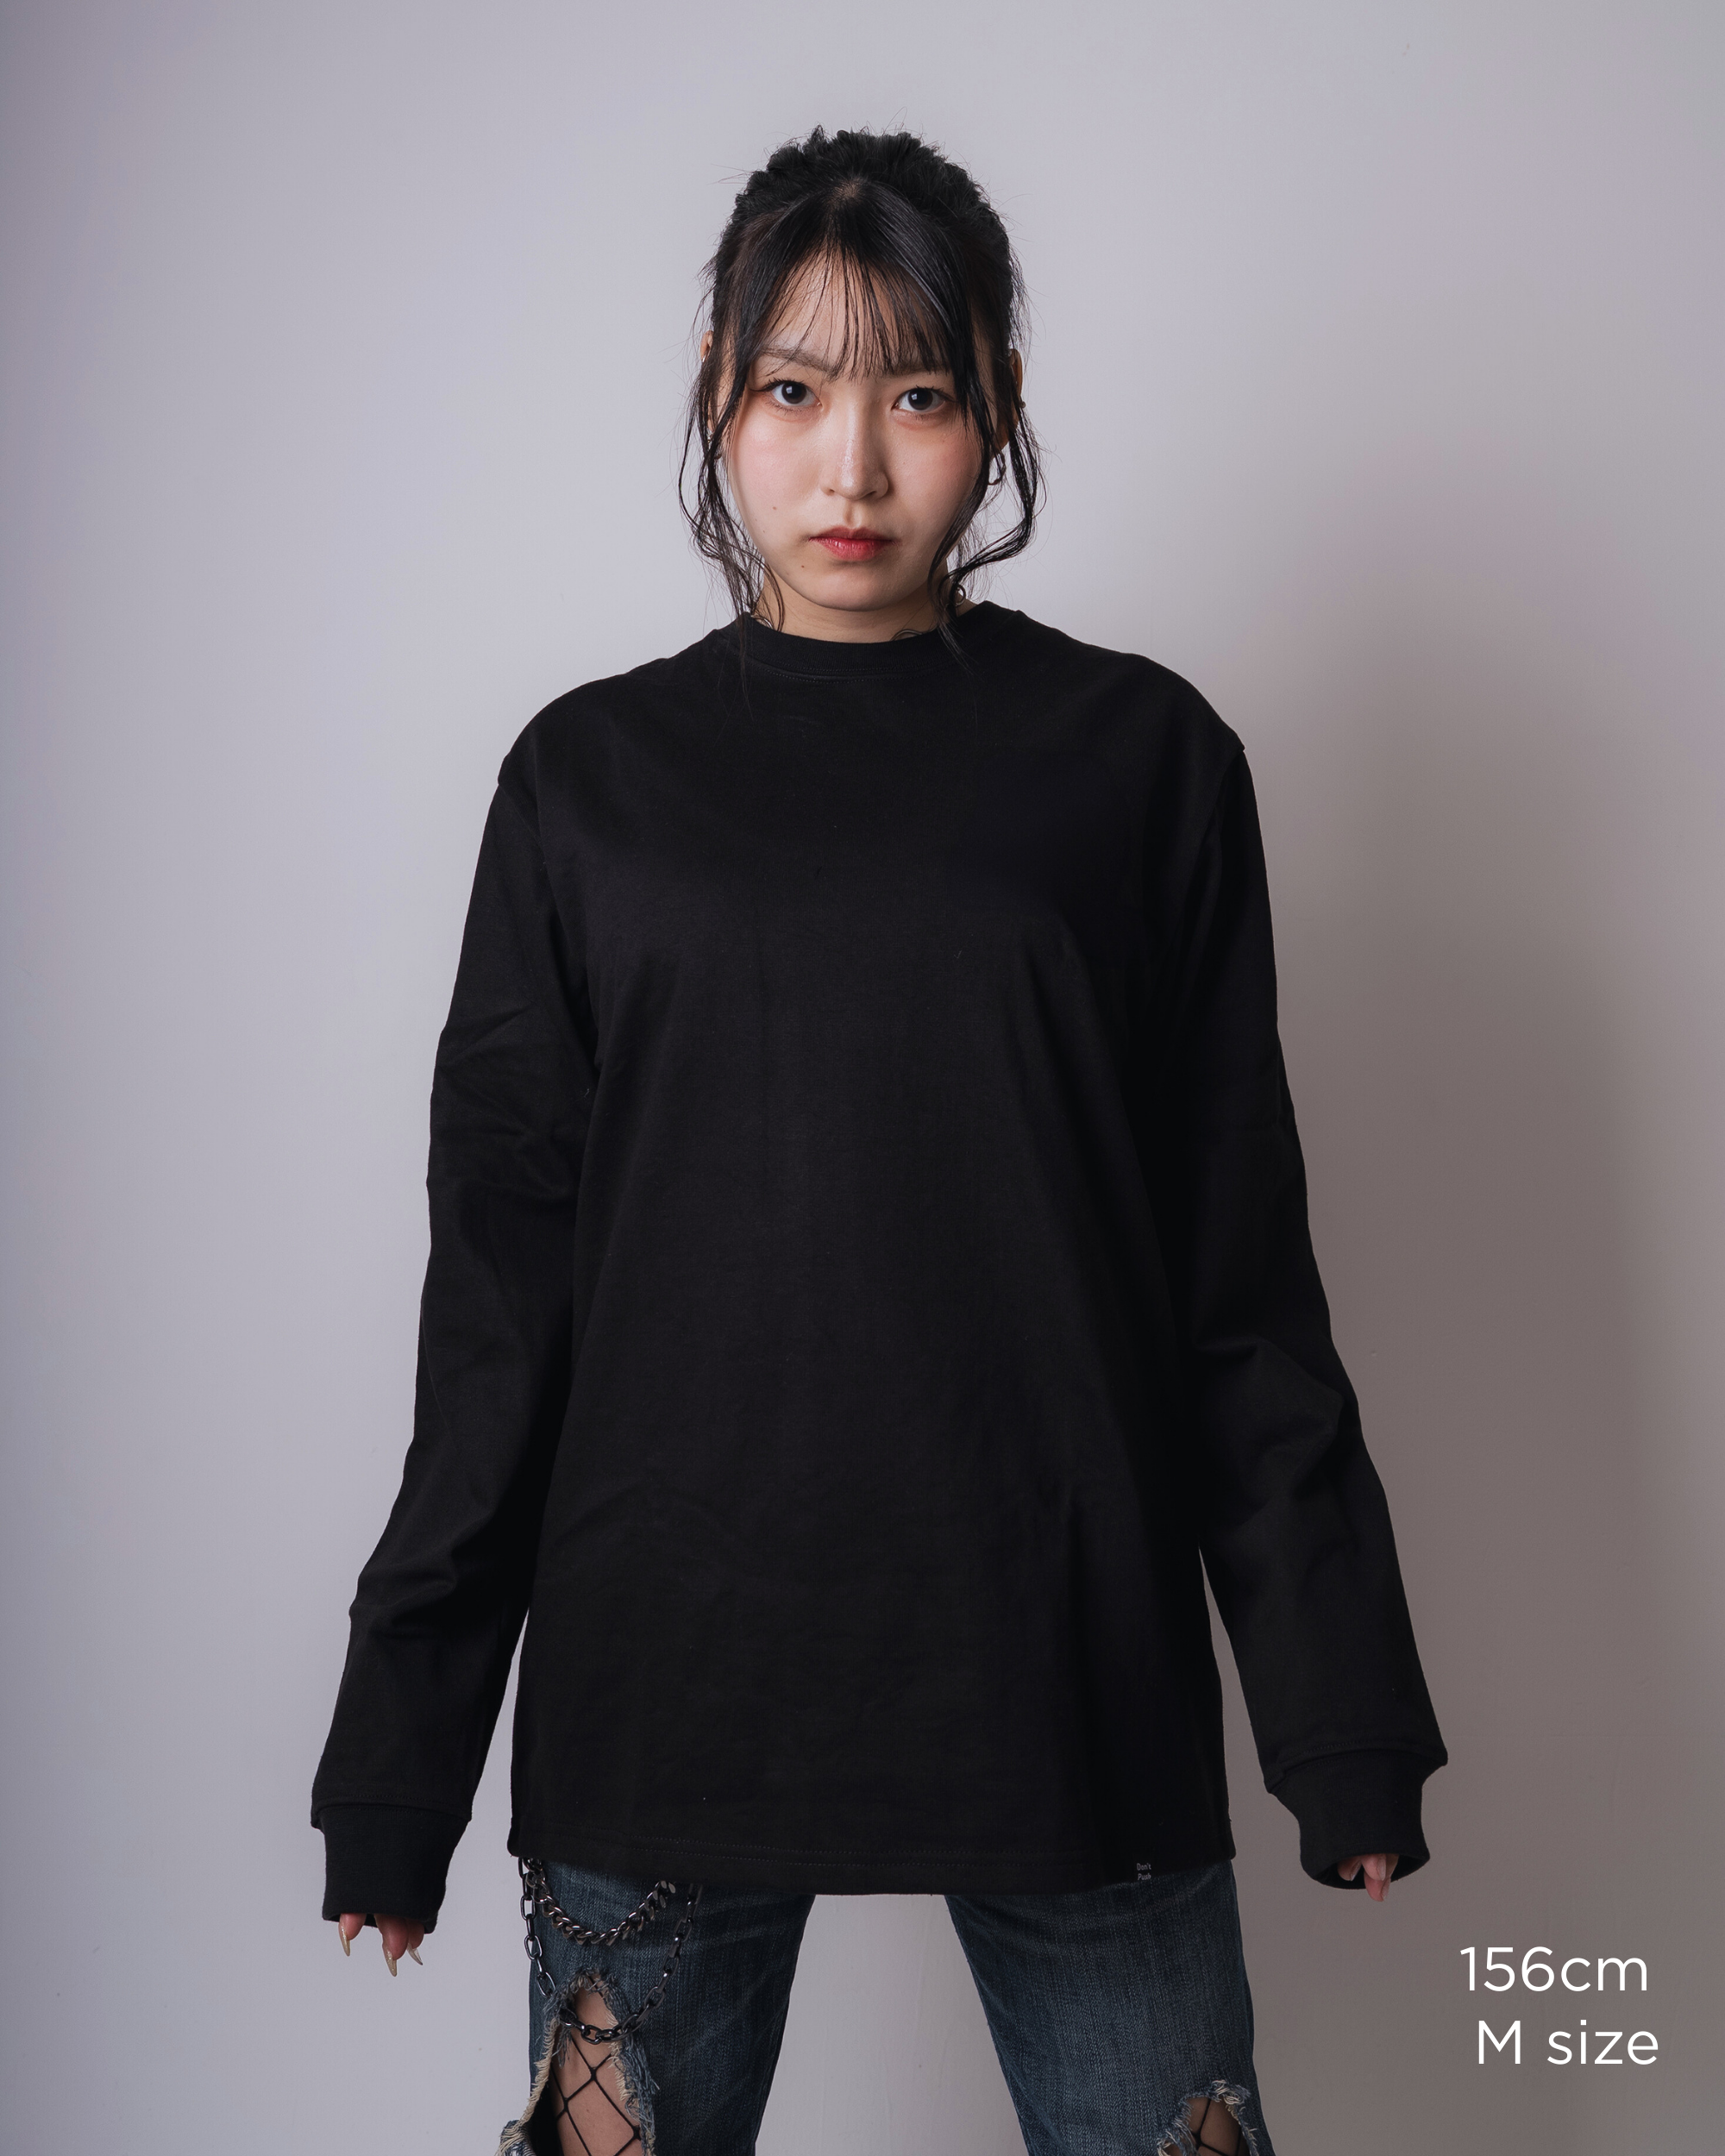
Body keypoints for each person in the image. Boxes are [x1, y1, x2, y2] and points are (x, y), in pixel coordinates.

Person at [311, 125, 1446, 2156]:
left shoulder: (1144, 763)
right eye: (793, 390)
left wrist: (1338, 1712)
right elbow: (501, 1306)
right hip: (668, 1677)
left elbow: (1234, 1285)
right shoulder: (586, 784)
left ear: (995, 401)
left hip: (1062, 1668)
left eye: (916, 393)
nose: (851, 467)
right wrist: (401, 1754)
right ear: (716, 392)